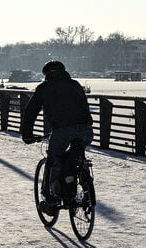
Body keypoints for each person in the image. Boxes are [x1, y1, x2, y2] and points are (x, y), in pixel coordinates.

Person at [21, 60, 93, 212]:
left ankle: (50, 201)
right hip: (86, 129)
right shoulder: (75, 85)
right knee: (77, 156)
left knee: (53, 161)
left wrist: (27, 135)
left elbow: (30, 112)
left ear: (47, 74)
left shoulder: (44, 88)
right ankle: (85, 187)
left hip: (62, 131)